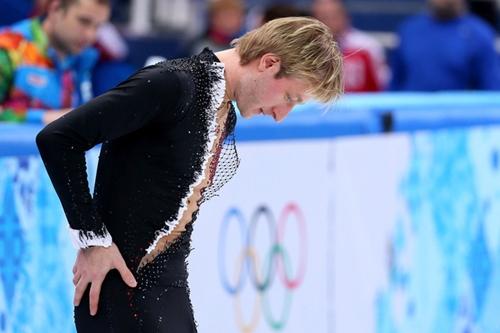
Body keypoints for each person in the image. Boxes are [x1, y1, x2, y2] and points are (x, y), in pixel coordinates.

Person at [36, 17, 343, 332]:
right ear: (268, 63)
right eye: (289, 98)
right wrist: (92, 239)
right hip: (120, 295)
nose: (281, 116)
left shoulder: (224, 113)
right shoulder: (173, 84)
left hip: (167, 294)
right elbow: (59, 138)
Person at [0, 0, 110, 124]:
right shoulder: (8, 47)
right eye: (83, 21)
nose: (91, 35)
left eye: (98, 26)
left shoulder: (85, 57)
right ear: (55, 9)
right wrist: (44, 118)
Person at [390, 0, 500, 91]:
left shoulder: (480, 34)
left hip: (460, 114)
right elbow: (395, 82)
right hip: (411, 112)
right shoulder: (409, 30)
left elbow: (491, 88)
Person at [312, 0, 388, 92]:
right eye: (323, 17)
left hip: (362, 104)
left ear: (345, 16)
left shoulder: (367, 46)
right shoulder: (305, 49)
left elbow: (383, 84)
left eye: (334, 15)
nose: (329, 21)